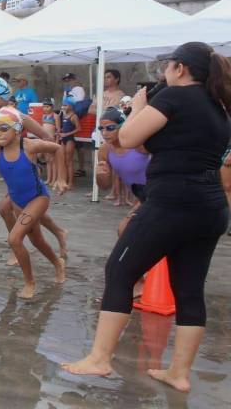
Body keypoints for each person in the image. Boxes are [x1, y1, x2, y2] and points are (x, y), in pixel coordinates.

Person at [62, 42, 231, 393]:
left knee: (120, 270)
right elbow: (153, 146)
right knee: (188, 290)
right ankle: (179, 373)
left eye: (169, 65)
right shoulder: (218, 108)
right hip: (210, 206)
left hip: (172, 201)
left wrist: (139, 107)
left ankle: (99, 359)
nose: (166, 72)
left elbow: (125, 137)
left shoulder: (173, 98)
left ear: (180, 68)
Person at [0, 106, 66, 298]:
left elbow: (58, 149)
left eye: (3, 129)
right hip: (17, 200)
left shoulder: (29, 146)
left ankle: (30, 283)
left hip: (38, 198)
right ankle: (58, 263)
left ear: (17, 129)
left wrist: (61, 178)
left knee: (14, 239)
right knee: (37, 241)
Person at [94, 107, 150, 235]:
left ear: (122, 126)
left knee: (125, 230)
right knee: (127, 232)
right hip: (142, 197)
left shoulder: (139, 144)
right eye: (101, 128)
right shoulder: (105, 150)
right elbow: (104, 186)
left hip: (157, 193)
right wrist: (99, 175)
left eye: (110, 128)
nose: (104, 133)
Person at [59, 96, 80, 189]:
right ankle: (65, 180)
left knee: (69, 161)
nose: (63, 107)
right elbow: (64, 126)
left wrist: (67, 133)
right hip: (63, 139)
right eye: (63, 105)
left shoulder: (73, 116)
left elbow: (79, 128)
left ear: (71, 106)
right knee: (63, 161)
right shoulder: (63, 115)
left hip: (70, 140)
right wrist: (60, 132)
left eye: (65, 105)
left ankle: (71, 182)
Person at [41, 98, 61, 184]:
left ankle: (54, 179)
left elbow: (58, 130)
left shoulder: (55, 116)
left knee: (53, 161)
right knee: (47, 160)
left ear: (52, 107)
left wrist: (56, 142)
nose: (45, 108)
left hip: (52, 141)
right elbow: (42, 129)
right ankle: (49, 179)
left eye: (47, 107)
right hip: (45, 140)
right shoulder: (43, 116)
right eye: (44, 107)